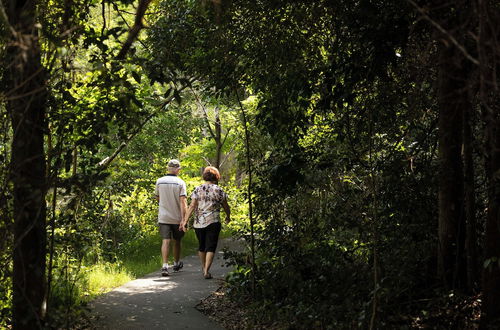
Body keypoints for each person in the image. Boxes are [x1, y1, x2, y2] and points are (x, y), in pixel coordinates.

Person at [181, 166, 231, 279]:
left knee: (202, 246)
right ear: (216, 176)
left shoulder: (197, 189)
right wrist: (228, 216)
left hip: (199, 223)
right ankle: (206, 271)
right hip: (213, 221)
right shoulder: (218, 190)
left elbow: (192, 206)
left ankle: (204, 267)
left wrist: (185, 220)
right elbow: (226, 206)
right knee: (211, 246)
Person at [155, 159, 187, 276]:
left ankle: (164, 266)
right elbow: (183, 202)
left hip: (163, 216)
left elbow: (158, 198)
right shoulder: (180, 183)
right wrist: (184, 219)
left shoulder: (159, 181)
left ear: (168, 168)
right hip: (177, 217)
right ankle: (176, 263)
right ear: (177, 169)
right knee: (177, 241)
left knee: (166, 240)